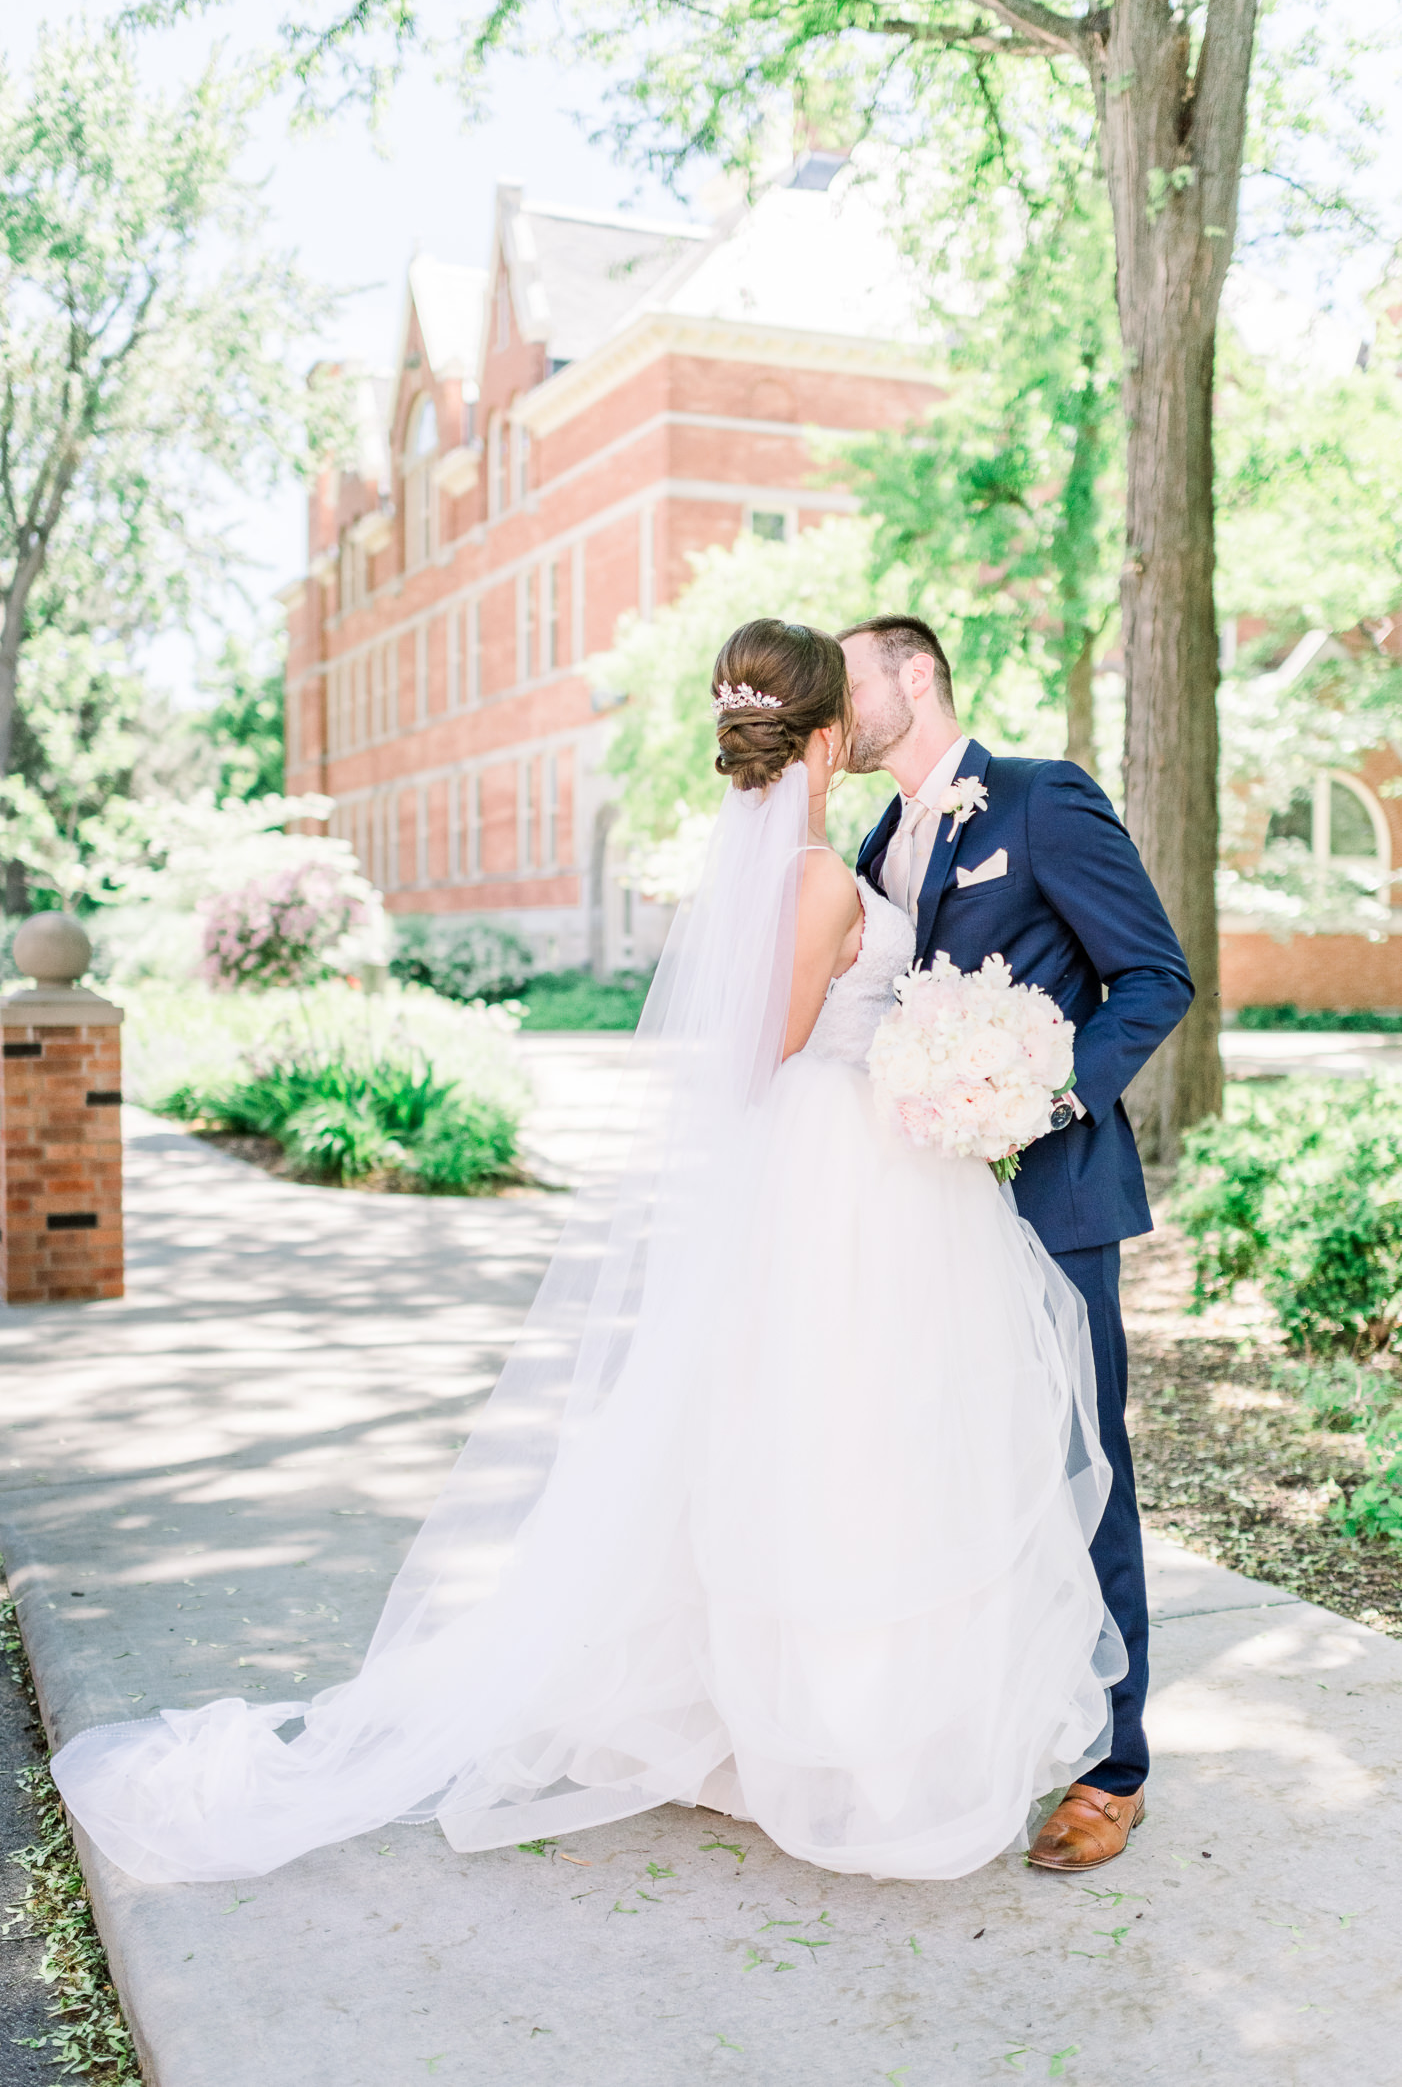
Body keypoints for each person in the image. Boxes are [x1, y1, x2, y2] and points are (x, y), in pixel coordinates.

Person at [53, 618, 1126, 1887]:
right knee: (849, 1446)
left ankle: (807, 1724)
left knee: (831, 1442)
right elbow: (765, 1055)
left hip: (869, 1163)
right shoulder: (827, 877)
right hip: (848, 1168)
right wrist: (916, 1064)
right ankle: (842, 1742)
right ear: (827, 732)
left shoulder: (829, 859)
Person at [844, 613, 1193, 1872]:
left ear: (915, 675)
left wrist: (1038, 1094)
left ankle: (1113, 1765)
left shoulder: (1042, 800)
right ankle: (979, 1725)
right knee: (948, 1471)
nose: (833, 703)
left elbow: (1153, 977)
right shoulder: (876, 843)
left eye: (850, 677)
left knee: (1080, 1467)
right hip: (918, 1212)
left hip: (1051, 1197)